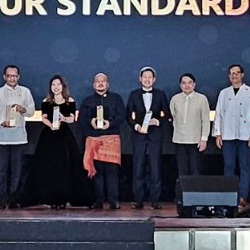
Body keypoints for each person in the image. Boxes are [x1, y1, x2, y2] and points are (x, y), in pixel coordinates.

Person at [21, 75, 94, 208]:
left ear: (63, 86)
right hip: (49, 136)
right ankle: (49, 198)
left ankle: (65, 198)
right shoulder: (46, 101)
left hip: (64, 136)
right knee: (49, 166)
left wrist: (63, 119)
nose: (56, 87)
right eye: (53, 85)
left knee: (66, 165)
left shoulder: (69, 101)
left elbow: (72, 118)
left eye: (58, 84)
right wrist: (51, 125)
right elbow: (43, 117)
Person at [213, 64, 250, 212]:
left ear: (242, 75)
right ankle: (229, 196)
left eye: (237, 73)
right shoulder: (224, 93)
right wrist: (218, 133)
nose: (234, 76)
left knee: (244, 166)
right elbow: (219, 114)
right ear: (229, 76)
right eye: (232, 73)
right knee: (228, 166)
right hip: (227, 135)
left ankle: (242, 197)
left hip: (245, 136)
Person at [0, 65, 35, 209]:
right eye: (9, 76)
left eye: (14, 76)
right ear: (4, 77)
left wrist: (23, 109)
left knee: (17, 170)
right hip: (2, 137)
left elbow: (31, 111)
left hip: (19, 137)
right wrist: (1, 122)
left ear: (18, 77)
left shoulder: (25, 92)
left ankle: (14, 199)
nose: (12, 78)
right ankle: (2, 200)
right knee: (1, 170)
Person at [79, 73, 125, 210]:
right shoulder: (87, 101)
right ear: (93, 85)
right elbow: (81, 118)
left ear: (108, 84)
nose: (100, 84)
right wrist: (91, 122)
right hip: (94, 139)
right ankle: (98, 201)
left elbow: (121, 115)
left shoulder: (116, 99)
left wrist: (110, 123)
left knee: (112, 172)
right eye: (97, 82)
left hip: (111, 139)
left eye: (103, 81)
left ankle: (113, 201)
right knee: (96, 172)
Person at [126, 66, 170, 210]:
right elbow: (128, 115)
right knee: (137, 168)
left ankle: (155, 200)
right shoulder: (133, 94)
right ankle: (138, 200)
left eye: (150, 77)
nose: (147, 80)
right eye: (144, 77)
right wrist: (136, 126)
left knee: (155, 168)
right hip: (138, 136)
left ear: (154, 79)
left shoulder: (160, 94)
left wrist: (157, 121)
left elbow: (167, 114)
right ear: (140, 79)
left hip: (155, 136)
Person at [170, 73, 210, 177]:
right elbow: (173, 117)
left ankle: (195, 189)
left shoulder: (202, 99)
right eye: (184, 83)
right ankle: (182, 188)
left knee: (195, 171)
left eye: (189, 83)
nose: (187, 85)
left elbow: (205, 120)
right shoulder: (175, 99)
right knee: (182, 171)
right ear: (180, 85)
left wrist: (204, 139)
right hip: (179, 140)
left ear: (194, 84)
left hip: (196, 141)